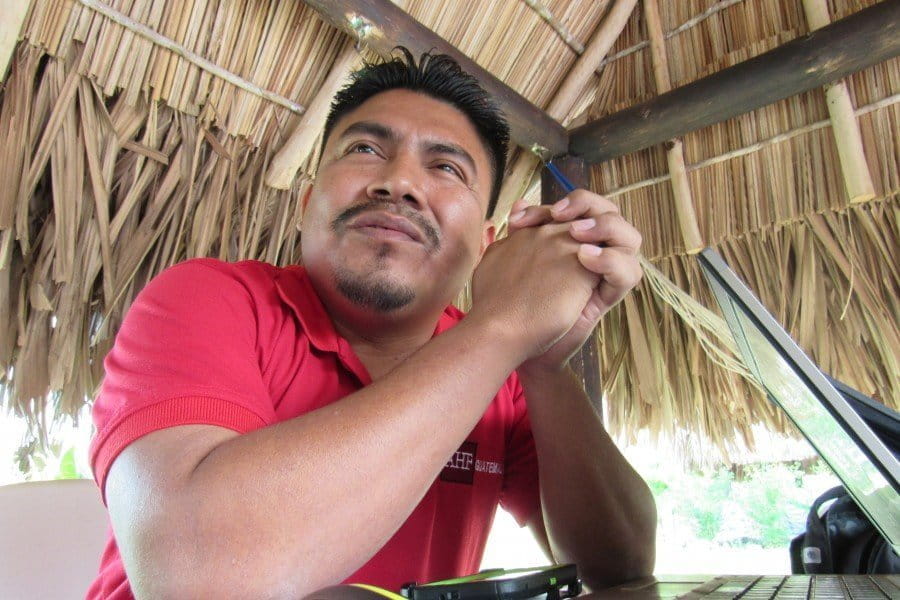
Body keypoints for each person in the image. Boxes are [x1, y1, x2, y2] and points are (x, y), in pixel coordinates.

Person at [87, 48, 656, 599]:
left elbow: (621, 566)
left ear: (486, 244)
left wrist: (542, 366)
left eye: (446, 167)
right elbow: (196, 577)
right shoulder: (211, 299)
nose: (399, 182)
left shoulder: (504, 375)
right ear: (307, 204)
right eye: (364, 148)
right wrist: (502, 326)